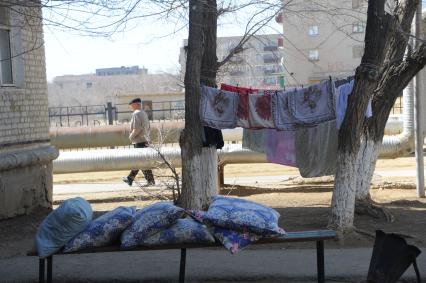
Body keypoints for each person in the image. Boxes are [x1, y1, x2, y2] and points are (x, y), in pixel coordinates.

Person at [122, 98, 155, 186]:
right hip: (145, 139)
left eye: (131, 105)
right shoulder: (143, 113)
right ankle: (131, 178)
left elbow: (137, 128)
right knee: (142, 161)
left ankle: (148, 181)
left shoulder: (136, 113)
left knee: (140, 161)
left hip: (139, 140)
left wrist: (131, 136)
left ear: (136, 104)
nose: (130, 107)